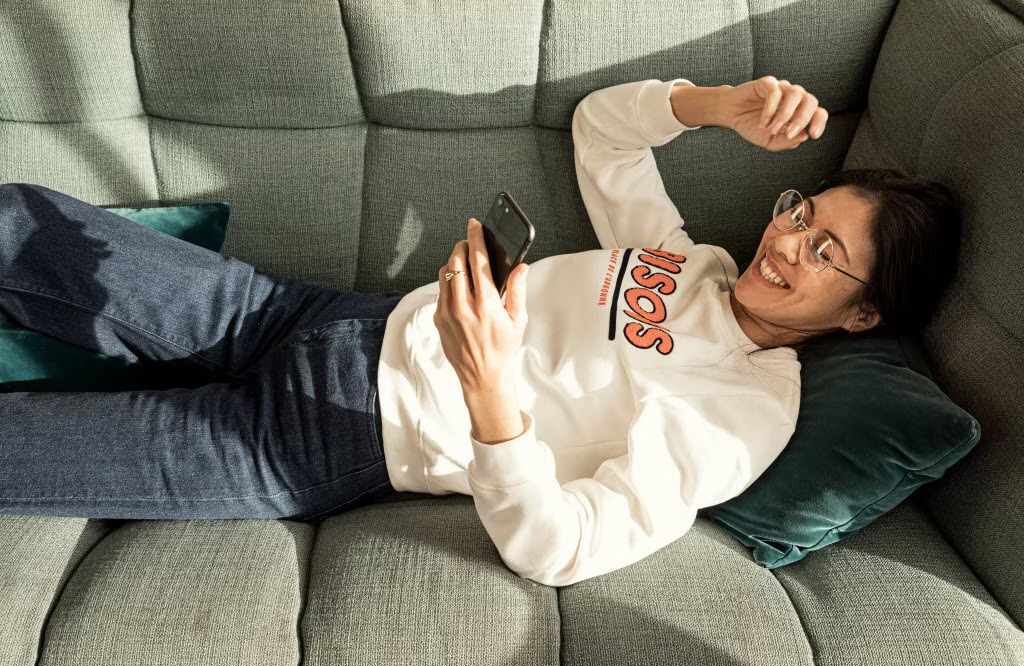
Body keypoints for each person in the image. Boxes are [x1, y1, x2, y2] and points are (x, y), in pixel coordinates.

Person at [0, 76, 961, 587]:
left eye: (826, 252)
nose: (786, 242)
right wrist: (718, 109)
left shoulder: (744, 413)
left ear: (862, 314)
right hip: (312, 315)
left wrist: (493, 395)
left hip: (322, 438)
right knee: (21, 223)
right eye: (801, 213)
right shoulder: (698, 262)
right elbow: (603, 132)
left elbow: (563, 547)